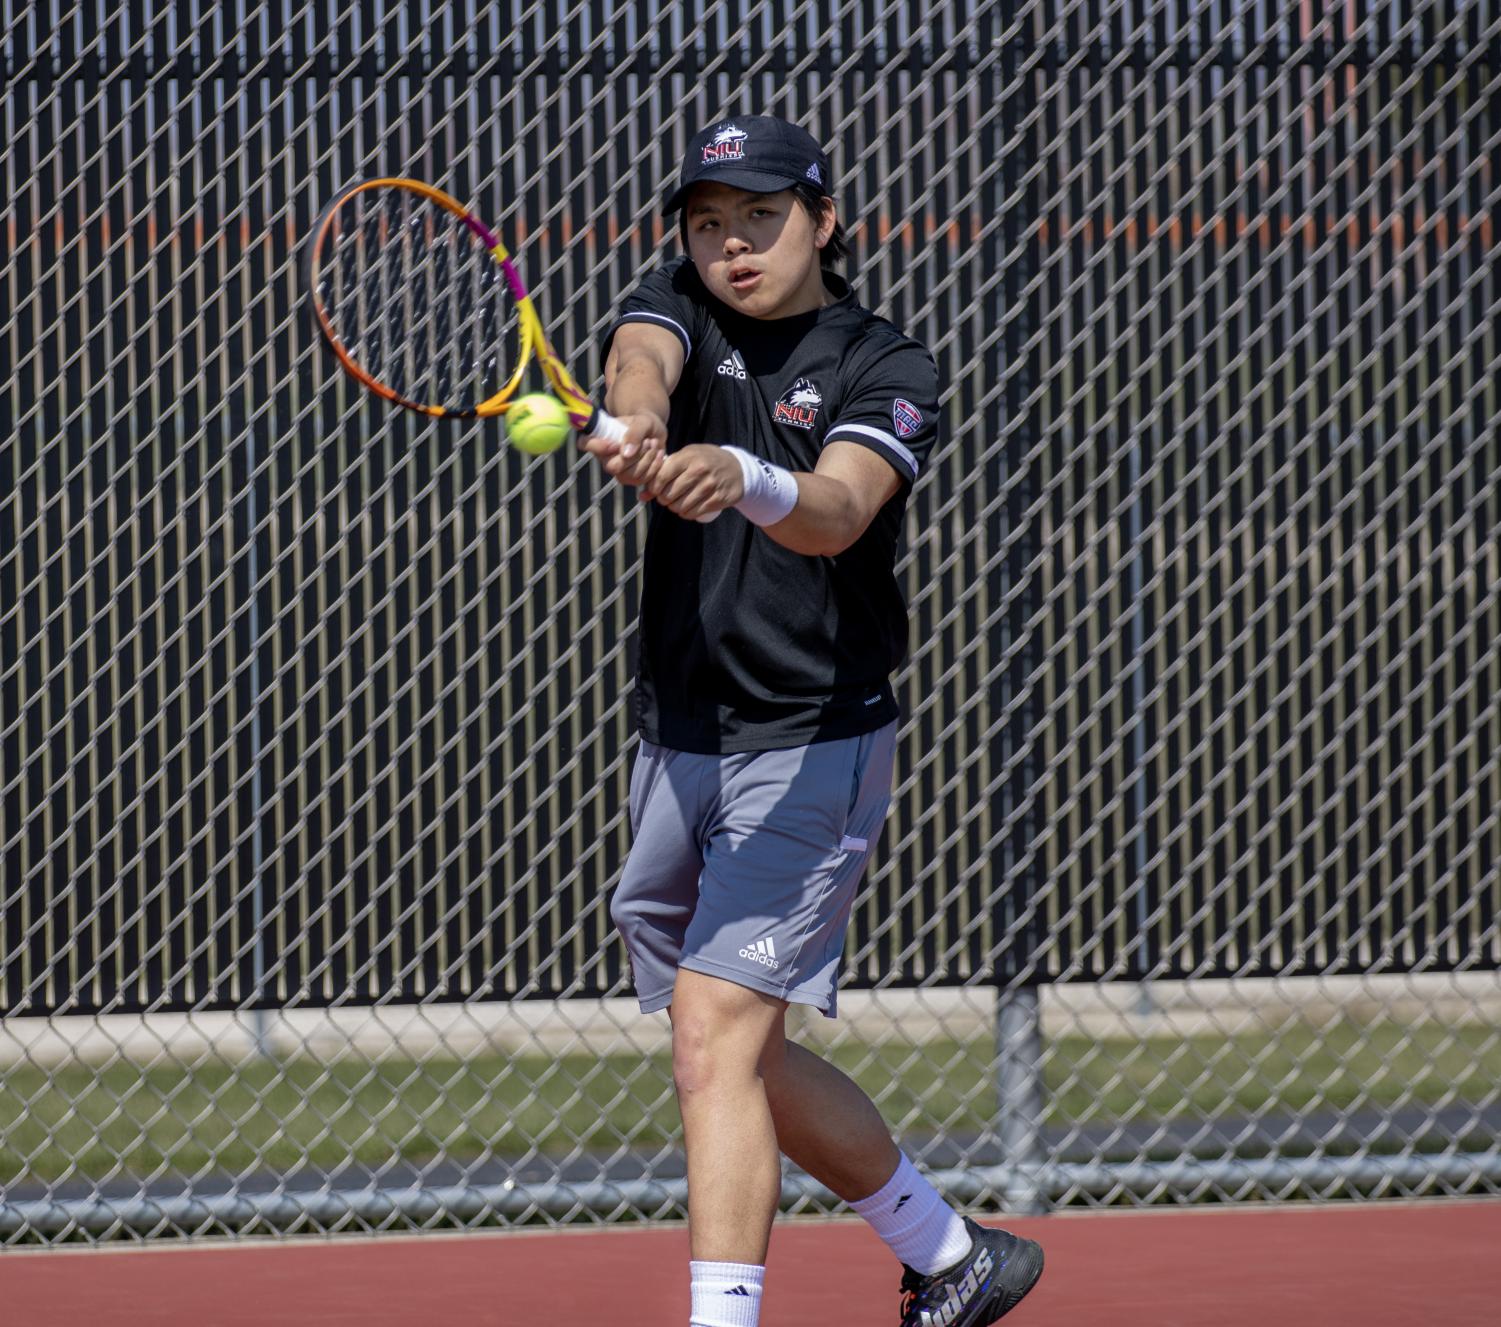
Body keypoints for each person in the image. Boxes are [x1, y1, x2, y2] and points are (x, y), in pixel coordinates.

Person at [579, 114, 1044, 1327]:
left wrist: (743, 476)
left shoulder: (887, 365)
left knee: (709, 1036)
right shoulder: (682, 301)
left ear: (824, 224)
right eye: (707, 221)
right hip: (681, 731)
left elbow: (837, 509)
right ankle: (950, 1255)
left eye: (761, 218)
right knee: (737, 1055)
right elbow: (640, 353)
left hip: (814, 738)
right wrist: (635, 415)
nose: (731, 245)